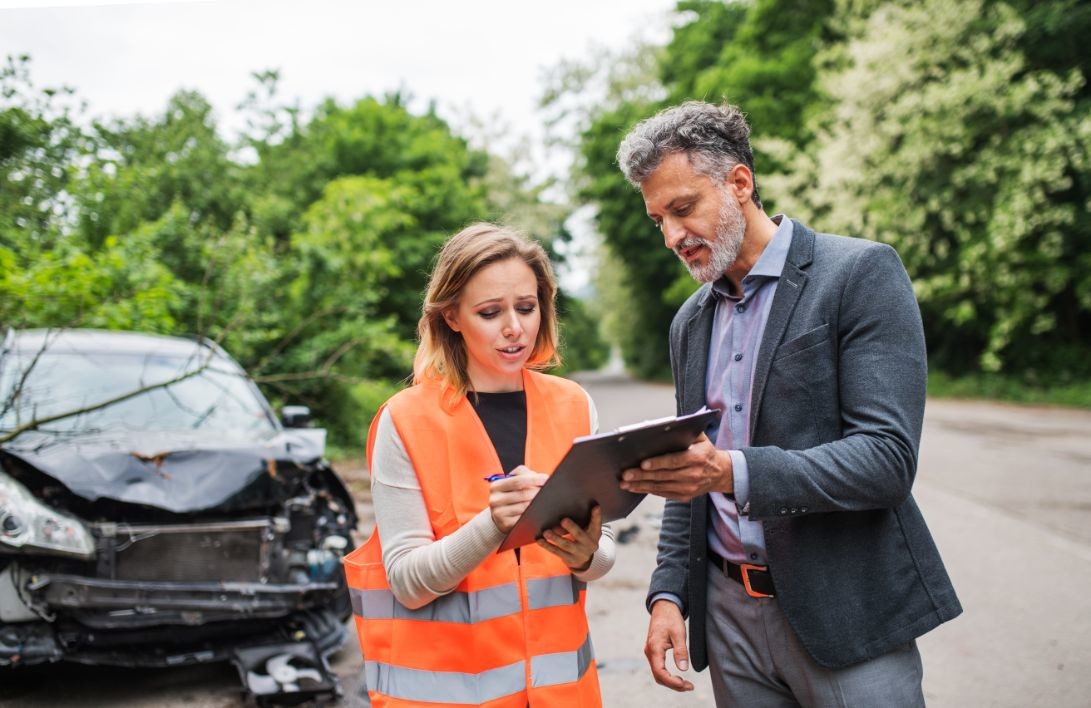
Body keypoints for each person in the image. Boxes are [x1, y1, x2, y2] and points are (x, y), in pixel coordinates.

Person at [614, 101, 962, 706]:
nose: (672, 236)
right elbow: (685, 473)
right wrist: (670, 593)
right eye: (656, 221)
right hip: (727, 623)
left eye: (683, 208)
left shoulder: (859, 274)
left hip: (846, 616)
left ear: (739, 183)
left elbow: (885, 460)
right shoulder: (688, 323)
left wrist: (731, 471)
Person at [343, 223, 614, 707]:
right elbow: (406, 582)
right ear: (451, 316)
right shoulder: (405, 420)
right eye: (490, 312)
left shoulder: (575, 406)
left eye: (527, 308)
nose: (514, 327)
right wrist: (492, 525)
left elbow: (601, 556)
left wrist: (586, 554)